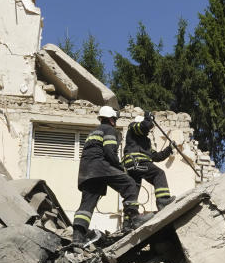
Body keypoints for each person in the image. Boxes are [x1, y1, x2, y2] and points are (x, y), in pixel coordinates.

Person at [73, 105, 149, 244]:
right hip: (101, 166)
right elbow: (109, 151)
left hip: (86, 171)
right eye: (115, 119)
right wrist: (120, 168)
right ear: (112, 119)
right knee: (130, 183)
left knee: (86, 205)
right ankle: (134, 217)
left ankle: (77, 237)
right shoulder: (109, 130)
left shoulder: (93, 132)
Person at [123, 111, 175, 210]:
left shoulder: (146, 141)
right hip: (137, 162)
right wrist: (148, 117)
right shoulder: (132, 128)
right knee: (158, 174)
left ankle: (129, 218)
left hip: (134, 165)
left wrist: (169, 149)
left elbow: (156, 157)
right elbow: (144, 126)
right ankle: (162, 201)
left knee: (133, 190)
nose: (148, 130)